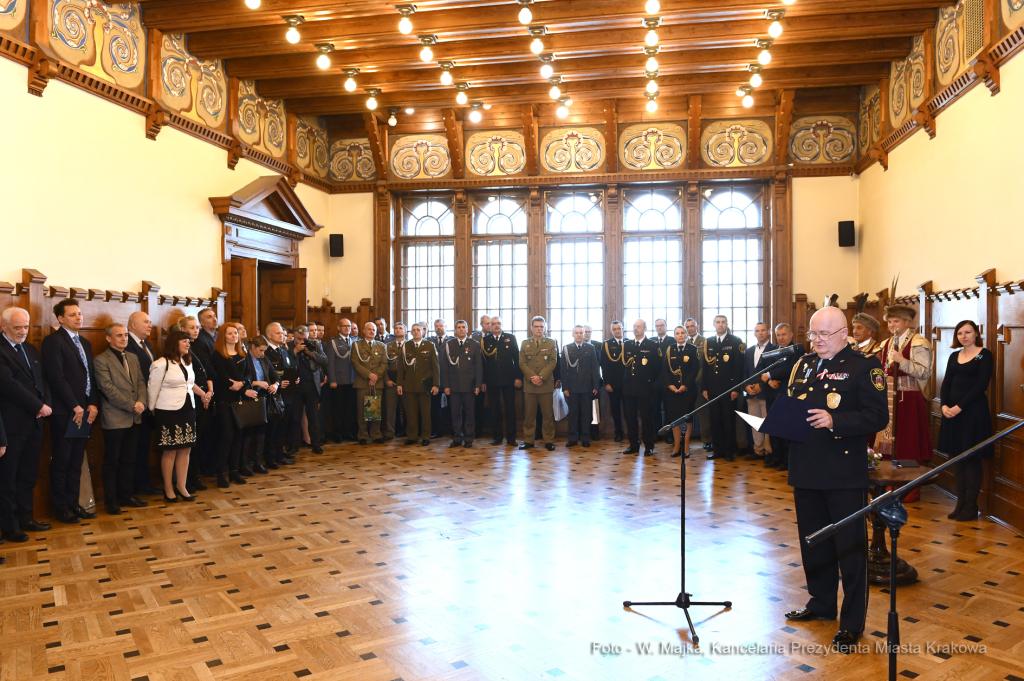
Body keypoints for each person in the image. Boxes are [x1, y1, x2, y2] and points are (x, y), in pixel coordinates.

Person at [784, 306, 888, 654]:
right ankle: (822, 603)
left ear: (845, 333)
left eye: (823, 334)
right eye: (813, 334)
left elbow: (877, 416)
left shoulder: (865, 366)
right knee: (814, 541)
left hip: (843, 471)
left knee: (850, 548)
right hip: (805, 466)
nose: (816, 340)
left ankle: (851, 622)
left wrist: (835, 421)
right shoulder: (804, 364)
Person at [41, 299, 99, 524]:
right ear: (61, 319)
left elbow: (90, 377)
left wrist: (92, 404)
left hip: (84, 411)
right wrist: (75, 406)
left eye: (80, 313)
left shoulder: (84, 343)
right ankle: (62, 508)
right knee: (62, 460)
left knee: (76, 460)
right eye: (73, 314)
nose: (79, 317)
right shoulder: (53, 341)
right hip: (66, 412)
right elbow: (56, 378)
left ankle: (75, 503)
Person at [0, 307, 53, 540]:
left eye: (25, 326)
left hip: (35, 423)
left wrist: (45, 404)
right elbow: (10, 386)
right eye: (17, 327)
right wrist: (38, 406)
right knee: (8, 478)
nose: (23, 331)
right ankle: (10, 526)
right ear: (3, 327)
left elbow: (42, 381)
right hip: (12, 425)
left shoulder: (30, 348)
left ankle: (26, 518)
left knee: (28, 474)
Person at [938, 320, 994, 521]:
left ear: (976, 334)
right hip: (951, 414)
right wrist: (944, 406)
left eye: (968, 332)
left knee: (971, 459)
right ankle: (960, 502)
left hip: (973, 414)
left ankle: (971, 505)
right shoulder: (955, 355)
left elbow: (981, 386)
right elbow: (946, 383)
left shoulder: (984, 355)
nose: (964, 336)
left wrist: (958, 407)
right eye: (960, 333)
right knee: (957, 458)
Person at [94, 323, 149, 514]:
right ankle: (111, 500)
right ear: (109, 338)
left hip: (135, 416)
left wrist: (142, 402)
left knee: (129, 458)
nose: (124, 338)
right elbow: (107, 389)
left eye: (125, 335)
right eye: (119, 336)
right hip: (115, 418)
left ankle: (126, 495)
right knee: (112, 461)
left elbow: (141, 382)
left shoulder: (133, 357)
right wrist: (132, 405)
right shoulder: (101, 360)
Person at [876, 303, 933, 465]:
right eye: (889, 322)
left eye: (896, 321)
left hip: (908, 399)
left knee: (907, 441)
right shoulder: (886, 343)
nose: (892, 325)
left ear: (907, 322)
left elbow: (924, 372)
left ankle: (908, 481)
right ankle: (886, 479)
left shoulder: (918, 342)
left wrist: (902, 361)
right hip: (887, 398)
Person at [147, 327, 199, 502]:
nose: (188, 344)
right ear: (173, 343)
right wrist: (152, 409)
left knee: (186, 449)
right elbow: (152, 389)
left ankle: (181, 486)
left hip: (187, 408)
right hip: (168, 411)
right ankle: (168, 488)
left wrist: (204, 394)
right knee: (170, 451)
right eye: (184, 340)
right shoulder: (160, 363)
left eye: (188, 341)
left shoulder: (186, 362)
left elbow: (190, 384)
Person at [211, 323, 257, 487]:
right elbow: (223, 378)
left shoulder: (242, 353)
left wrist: (243, 385)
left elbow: (249, 375)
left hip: (240, 399)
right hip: (225, 399)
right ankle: (221, 473)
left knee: (238, 435)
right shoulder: (218, 355)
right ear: (223, 336)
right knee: (228, 435)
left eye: (235, 333)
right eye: (230, 333)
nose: (234, 336)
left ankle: (235, 472)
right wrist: (243, 389)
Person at [123, 311, 162, 496]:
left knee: (145, 446)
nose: (150, 325)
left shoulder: (146, 344)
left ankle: (144, 483)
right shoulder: (128, 345)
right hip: (136, 405)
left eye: (150, 321)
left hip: (149, 404)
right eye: (146, 322)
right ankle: (135, 486)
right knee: (134, 449)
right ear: (133, 326)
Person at [177, 316, 215, 490]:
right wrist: (202, 394)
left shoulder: (198, 348)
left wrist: (210, 392)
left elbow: (207, 371)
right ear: (182, 329)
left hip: (204, 398)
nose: (195, 330)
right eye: (191, 328)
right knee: (190, 441)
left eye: (196, 327)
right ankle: (187, 479)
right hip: (192, 399)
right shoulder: (181, 352)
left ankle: (196, 476)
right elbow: (187, 379)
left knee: (200, 439)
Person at [701, 315, 745, 462]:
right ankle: (717, 449)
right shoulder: (709, 342)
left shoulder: (735, 341)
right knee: (715, 420)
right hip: (712, 388)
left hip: (728, 389)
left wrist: (736, 389)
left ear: (727, 324)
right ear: (714, 324)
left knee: (728, 420)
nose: (720, 325)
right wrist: (704, 387)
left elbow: (738, 368)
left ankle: (729, 450)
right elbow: (705, 368)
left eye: (723, 322)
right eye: (718, 322)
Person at [763, 323, 801, 471]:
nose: (781, 338)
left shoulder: (796, 349)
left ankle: (786, 461)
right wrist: (769, 379)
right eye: (778, 335)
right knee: (773, 428)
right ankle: (776, 458)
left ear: (791, 334)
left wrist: (770, 375)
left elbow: (789, 369)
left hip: (786, 394)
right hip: (771, 393)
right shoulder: (772, 350)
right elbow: (764, 367)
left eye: (784, 334)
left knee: (785, 429)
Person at [622, 319, 662, 456]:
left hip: (645, 387)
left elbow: (657, 367)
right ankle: (633, 444)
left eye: (639, 327)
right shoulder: (626, 345)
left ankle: (649, 445)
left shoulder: (652, 344)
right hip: (629, 387)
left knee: (646, 418)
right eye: (634, 326)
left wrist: (650, 382)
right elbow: (624, 366)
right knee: (630, 417)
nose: (636, 329)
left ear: (645, 329)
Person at [440, 320, 482, 448]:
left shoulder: (474, 344)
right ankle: (457, 437)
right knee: (455, 412)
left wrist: (478, 385)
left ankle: (469, 438)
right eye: (459, 327)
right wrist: (446, 385)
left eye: (464, 327)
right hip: (454, 386)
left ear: (467, 330)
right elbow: (445, 367)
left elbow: (478, 367)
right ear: (455, 330)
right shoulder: (449, 344)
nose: (461, 329)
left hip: (469, 385)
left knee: (470, 412)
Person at [397, 323, 440, 446]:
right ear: (411, 332)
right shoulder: (406, 346)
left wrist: (436, 384)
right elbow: (401, 367)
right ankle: (412, 436)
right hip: (410, 385)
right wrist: (399, 384)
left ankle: (425, 436)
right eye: (414, 330)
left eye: (418, 330)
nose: (416, 332)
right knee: (411, 413)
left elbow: (436, 367)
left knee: (425, 413)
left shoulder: (430, 345)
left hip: (425, 385)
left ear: (422, 332)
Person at [518, 316, 557, 451]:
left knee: (547, 415)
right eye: (536, 326)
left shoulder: (551, 343)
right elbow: (522, 362)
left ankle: (549, 441)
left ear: (545, 328)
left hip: (545, 385)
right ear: (531, 328)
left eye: (541, 326)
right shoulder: (524, 343)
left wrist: (541, 377)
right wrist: (532, 377)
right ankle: (528, 440)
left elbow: (553, 362)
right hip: (530, 385)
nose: (539, 329)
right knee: (529, 416)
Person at [482, 316, 522, 446]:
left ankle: (511, 439)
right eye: (493, 324)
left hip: (508, 379)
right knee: (494, 409)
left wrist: (518, 377)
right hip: (492, 380)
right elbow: (483, 363)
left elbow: (517, 358)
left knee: (510, 409)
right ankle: (497, 437)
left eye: (498, 323)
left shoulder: (510, 338)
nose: (496, 326)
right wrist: (483, 381)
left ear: (502, 324)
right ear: (490, 326)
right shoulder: (485, 340)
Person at [244, 335, 281, 474]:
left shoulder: (264, 359)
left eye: (264, 350)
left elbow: (276, 375)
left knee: (261, 432)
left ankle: (258, 462)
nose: (262, 353)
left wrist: (275, 385)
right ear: (253, 347)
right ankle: (245, 464)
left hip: (263, 398)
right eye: (260, 350)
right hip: (249, 396)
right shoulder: (245, 359)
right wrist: (255, 383)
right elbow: (241, 379)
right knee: (248, 432)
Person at [288, 325, 327, 455]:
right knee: (295, 417)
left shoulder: (314, 344)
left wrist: (312, 353)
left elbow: (324, 360)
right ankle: (294, 445)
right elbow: (285, 363)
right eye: (299, 339)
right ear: (294, 337)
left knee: (313, 417)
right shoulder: (288, 346)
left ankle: (316, 444)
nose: (302, 341)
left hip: (311, 385)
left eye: (304, 338)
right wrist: (294, 351)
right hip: (296, 386)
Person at [743, 322, 778, 462]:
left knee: (767, 423)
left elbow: (774, 372)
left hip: (766, 393)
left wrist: (761, 387)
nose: (760, 333)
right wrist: (746, 386)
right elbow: (745, 370)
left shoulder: (774, 349)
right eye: (757, 331)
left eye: (763, 330)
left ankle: (769, 451)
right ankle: (758, 450)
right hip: (751, 393)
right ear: (754, 333)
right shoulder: (749, 350)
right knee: (755, 423)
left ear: (768, 332)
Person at [561, 325, 600, 447]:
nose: (579, 335)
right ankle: (572, 438)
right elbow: (563, 370)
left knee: (586, 413)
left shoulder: (590, 348)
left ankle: (585, 438)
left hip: (586, 386)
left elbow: (595, 368)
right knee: (572, 414)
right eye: (576, 333)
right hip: (572, 387)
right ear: (573, 334)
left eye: (581, 333)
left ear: (584, 334)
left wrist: (596, 386)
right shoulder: (567, 348)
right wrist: (565, 388)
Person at [264, 323, 296, 468]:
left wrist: (295, 378)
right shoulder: (265, 351)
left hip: (287, 393)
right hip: (273, 394)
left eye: (283, 333)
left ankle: (280, 453)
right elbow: (264, 372)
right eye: (278, 333)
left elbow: (288, 369)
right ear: (269, 335)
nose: (282, 335)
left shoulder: (283, 351)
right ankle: (270, 458)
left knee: (283, 427)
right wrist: (277, 382)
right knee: (273, 428)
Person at [664, 325, 700, 458]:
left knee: (687, 419)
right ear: (674, 335)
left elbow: (694, 370)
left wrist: (685, 385)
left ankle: (686, 446)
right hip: (672, 391)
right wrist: (669, 385)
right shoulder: (670, 350)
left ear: (686, 335)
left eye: (682, 333)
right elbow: (665, 370)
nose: (680, 335)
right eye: (677, 333)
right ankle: (676, 445)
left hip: (688, 390)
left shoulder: (692, 349)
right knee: (675, 419)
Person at [352, 322, 388, 444]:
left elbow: (384, 363)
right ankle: (362, 435)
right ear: (363, 330)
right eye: (369, 329)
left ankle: (375, 434)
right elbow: (356, 363)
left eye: (374, 330)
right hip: (362, 382)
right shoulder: (356, 345)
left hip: (377, 382)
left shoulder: (381, 345)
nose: (372, 331)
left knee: (375, 409)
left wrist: (375, 376)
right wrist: (369, 375)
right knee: (362, 409)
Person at [684, 318, 713, 451]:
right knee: (684, 413)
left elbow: (706, 364)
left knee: (703, 414)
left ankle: (707, 439)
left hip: (700, 383)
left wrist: (695, 378)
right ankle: (683, 439)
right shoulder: (682, 342)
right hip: (685, 385)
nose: (690, 329)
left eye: (692, 326)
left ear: (697, 327)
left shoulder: (705, 342)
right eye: (687, 327)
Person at [326, 318, 356, 443]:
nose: (347, 328)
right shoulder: (333, 342)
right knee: (338, 409)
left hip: (353, 380)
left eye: (349, 326)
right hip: (339, 381)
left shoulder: (355, 341)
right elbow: (330, 363)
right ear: (338, 327)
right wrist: (332, 379)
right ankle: (337, 433)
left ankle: (347, 432)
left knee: (350, 408)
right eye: (344, 326)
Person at [600, 321, 626, 442]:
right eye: (614, 329)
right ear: (611, 331)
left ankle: (631, 432)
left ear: (623, 329)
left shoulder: (629, 343)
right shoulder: (606, 344)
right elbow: (604, 365)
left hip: (628, 384)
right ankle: (618, 432)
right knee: (615, 410)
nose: (617, 331)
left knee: (629, 409)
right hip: (613, 384)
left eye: (619, 328)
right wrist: (607, 382)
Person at [383, 323, 407, 442]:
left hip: (406, 381)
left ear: (405, 331)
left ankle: (409, 431)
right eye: (396, 328)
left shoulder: (410, 345)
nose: (398, 330)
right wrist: (386, 379)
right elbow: (383, 365)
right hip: (391, 381)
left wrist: (405, 381)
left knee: (410, 408)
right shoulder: (387, 346)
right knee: (390, 409)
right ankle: (390, 432)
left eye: (400, 328)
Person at [651, 318, 674, 443]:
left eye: (662, 325)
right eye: (657, 326)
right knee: (655, 409)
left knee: (669, 409)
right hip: (654, 381)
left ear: (666, 326)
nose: (659, 327)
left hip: (669, 381)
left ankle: (668, 433)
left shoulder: (672, 341)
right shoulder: (651, 341)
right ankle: (657, 432)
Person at [429, 319, 452, 438]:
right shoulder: (429, 341)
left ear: (446, 326)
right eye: (436, 326)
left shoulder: (452, 340)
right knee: (435, 408)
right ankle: (437, 431)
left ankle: (454, 431)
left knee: (453, 407)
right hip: (434, 380)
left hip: (450, 379)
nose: (439, 328)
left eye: (441, 326)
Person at [471, 315, 491, 436]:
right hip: (477, 376)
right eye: (487, 323)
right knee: (476, 405)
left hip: (492, 374)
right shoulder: (474, 337)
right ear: (481, 324)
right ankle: (477, 430)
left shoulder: (494, 337)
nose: (489, 326)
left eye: (490, 323)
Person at [583, 325, 603, 441]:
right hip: (580, 383)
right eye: (584, 332)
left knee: (595, 409)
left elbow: (601, 363)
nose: (586, 334)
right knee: (582, 409)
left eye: (588, 332)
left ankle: (595, 432)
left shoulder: (598, 345)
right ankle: (582, 431)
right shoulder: (574, 346)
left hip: (595, 382)